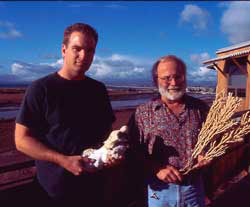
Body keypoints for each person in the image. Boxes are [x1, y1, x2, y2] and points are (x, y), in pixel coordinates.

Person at [15, 23, 117, 206]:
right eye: (77, 49)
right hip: (54, 193)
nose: (83, 56)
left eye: (90, 50)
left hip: (95, 190)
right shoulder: (41, 89)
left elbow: (106, 134)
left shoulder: (98, 90)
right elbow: (21, 140)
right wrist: (63, 160)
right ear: (63, 50)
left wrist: (113, 152)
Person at [127, 55, 211, 207]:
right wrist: (156, 168)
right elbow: (131, 151)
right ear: (156, 80)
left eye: (178, 76)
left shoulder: (201, 109)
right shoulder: (143, 113)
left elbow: (213, 138)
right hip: (159, 191)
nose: (173, 83)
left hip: (194, 189)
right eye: (166, 78)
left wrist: (207, 153)